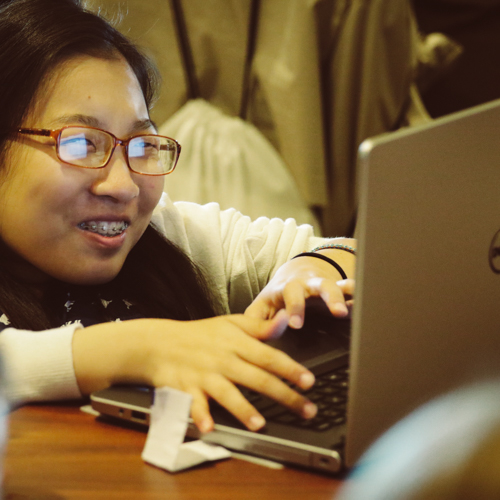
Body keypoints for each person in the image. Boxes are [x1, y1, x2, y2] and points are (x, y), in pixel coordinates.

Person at [0, 0, 355, 435]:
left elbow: (342, 250)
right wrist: (137, 347)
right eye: (80, 145)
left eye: (141, 146)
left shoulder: (170, 234)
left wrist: (311, 271)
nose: (123, 186)